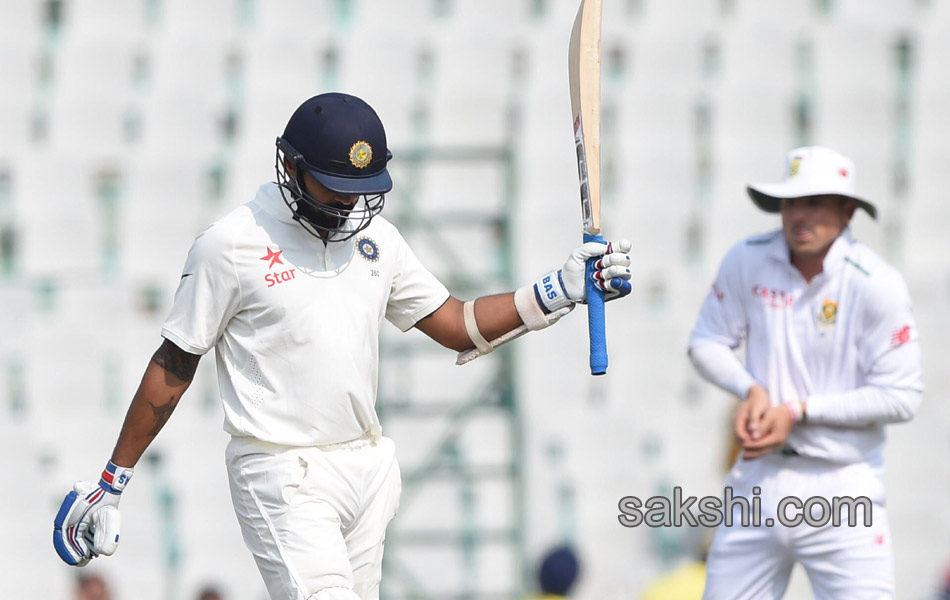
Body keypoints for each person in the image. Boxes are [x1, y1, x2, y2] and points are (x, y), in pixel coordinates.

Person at [52, 92, 633, 600]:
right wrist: (112, 481)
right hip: (279, 468)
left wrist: (558, 291)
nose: (345, 206)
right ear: (289, 164)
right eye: (332, 189)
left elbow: (456, 324)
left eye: (358, 192)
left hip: (366, 466)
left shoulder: (377, 240)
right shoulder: (231, 245)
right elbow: (174, 362)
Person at [687, 146, 923, 599]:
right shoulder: (747, 258)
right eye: (791, 202)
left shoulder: (876, 283)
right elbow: (705, 340)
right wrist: (749, 388)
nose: (799, 215)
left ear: (848, 211)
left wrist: (797, 411)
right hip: (757, 479)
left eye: (814, 202)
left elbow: (902, 396)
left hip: (843, 482)